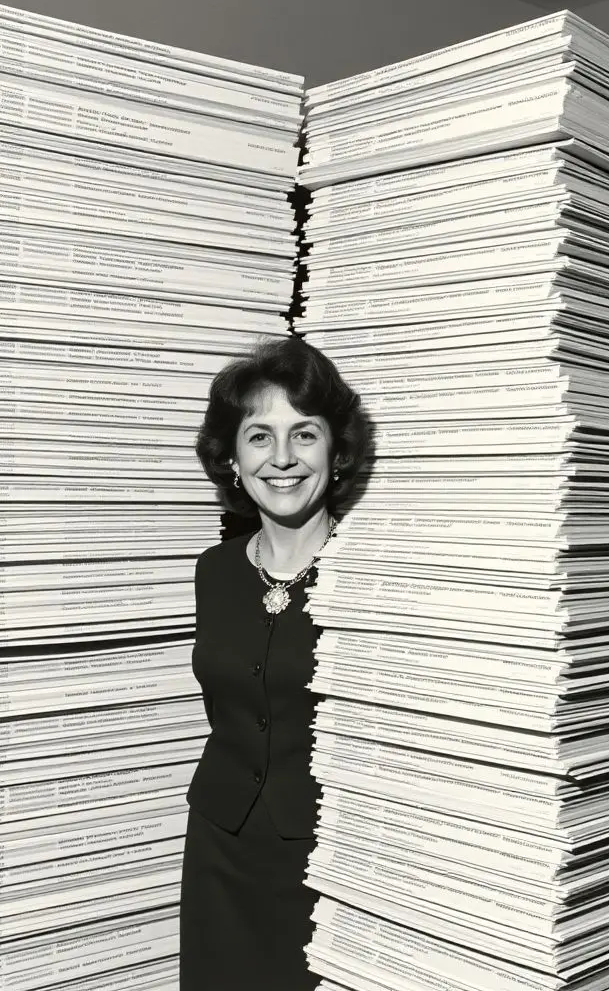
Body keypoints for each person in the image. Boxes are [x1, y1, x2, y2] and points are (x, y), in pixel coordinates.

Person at [178, 336, 371, 991]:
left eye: (304, 435)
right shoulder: (214, 571)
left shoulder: (367, 577)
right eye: (259, 437)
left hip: (327, 857)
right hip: (220, 848)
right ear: (233, 459)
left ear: (336, 453)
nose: (282, 458)